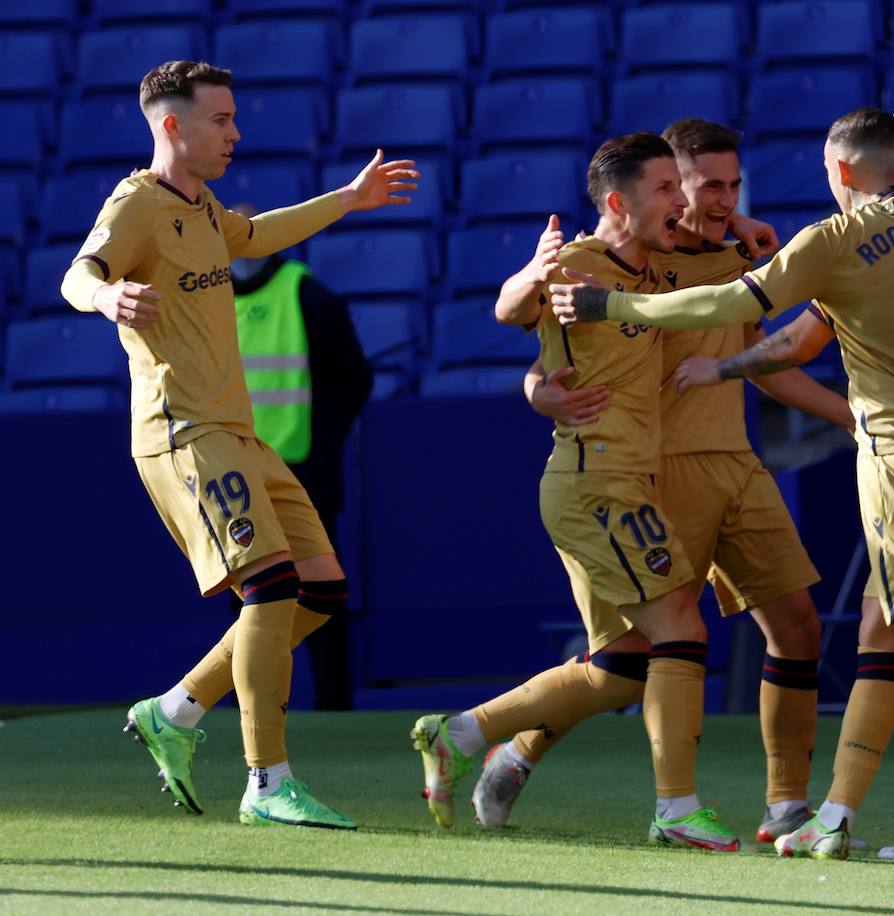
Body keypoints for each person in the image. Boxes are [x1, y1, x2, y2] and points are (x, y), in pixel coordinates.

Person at [550, 108, 894, 874]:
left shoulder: (833, 243)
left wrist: (618, 305)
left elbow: (730, 306)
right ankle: (868, 812)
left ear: (838, 173)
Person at [472, 119, 854, 841]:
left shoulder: (730, 258)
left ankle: (785, 809)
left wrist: (847, 416)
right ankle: (517, 750)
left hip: (737, 464)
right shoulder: (642, 259)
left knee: (798, 627)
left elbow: (761, 357)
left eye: (732, 185)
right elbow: (547, 333)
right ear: (666, 189)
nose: (719, 198)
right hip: (654, 474)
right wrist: (537, 389)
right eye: (706, 184)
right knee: (632, 657)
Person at [60, 59, 418, 829]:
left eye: (232, 118)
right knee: (269, 591)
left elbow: (256, 235)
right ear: (172, 126)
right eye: (220, 119)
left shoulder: (204, 207)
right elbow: (77, 273)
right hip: (184, 433)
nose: (236, 132)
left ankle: (177, 710)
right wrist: (106, 294)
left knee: (320, 591)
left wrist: (350, 201)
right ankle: (267, 782)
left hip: (242, 437)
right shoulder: (136, 204)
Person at [409, 133, 742, 852]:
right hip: (596, 484)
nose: (680, 200)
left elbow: (727, 257)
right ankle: (677, 810)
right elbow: (508, 309)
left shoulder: (652, 265)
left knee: (623, 668)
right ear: (618, 202)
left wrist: (737, 227)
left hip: (621, 485)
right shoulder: (579, 265)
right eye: (664, 190)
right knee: (682, 627)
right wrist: (531, 274)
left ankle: (462, 734)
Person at [230, 204, 374, 711]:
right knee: (244, 597)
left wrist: (321, 438)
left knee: (319, 590)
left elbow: (355, 377)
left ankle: (334, 706)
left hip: (303, 470)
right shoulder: (204, 298)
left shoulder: (305, 293)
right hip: (232, 475)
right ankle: (250, 705)